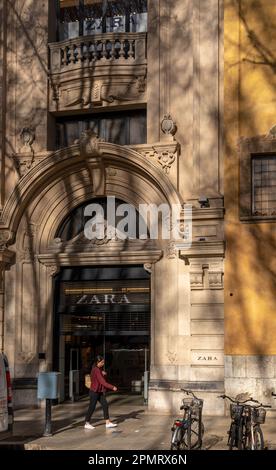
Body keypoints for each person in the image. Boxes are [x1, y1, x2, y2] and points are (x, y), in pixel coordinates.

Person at [84, 355, 118, 429]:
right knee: (92, 407)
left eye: (103, 362)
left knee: (105, 405)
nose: (103, 364)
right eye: (102, 362)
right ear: (97, 362)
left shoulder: (97, 369)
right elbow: (103, 382)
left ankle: (107, 422)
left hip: (99, 391)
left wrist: (102, 373)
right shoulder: (96, 370)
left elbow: (99, 377)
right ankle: (87, 423)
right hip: (94, 392)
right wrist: (112, 387)